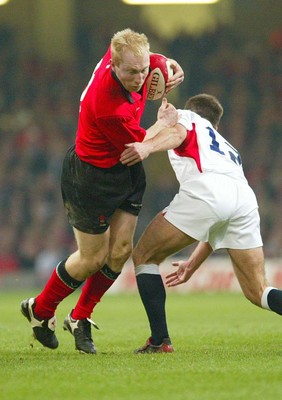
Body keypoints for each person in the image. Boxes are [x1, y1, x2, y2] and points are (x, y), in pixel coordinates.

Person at [21, 28, 184, 354]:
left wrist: (166, 64)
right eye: (131, 72)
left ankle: (80, 317)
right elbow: (141, 143)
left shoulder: (125, 56)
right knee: (93, 258)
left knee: (121, 250)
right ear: (113, 66)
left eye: (142, 70)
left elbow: (147, 59)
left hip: (124, 170)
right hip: (91, 179)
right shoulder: (109, 105)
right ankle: (40, 310)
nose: (140, 78)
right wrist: (165, 123)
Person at [120, 93, 282, 353]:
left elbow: (178, 135)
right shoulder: (228, 148)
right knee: (257, 290)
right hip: (244, 199)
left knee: (144, 256)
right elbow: (218, 219)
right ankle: (159, 340)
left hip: (208, 190)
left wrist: (151, 143)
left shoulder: (188, 118)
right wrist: (192, 265)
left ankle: (160, 340)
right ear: (217, 125)